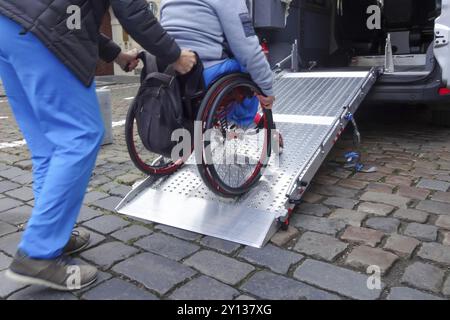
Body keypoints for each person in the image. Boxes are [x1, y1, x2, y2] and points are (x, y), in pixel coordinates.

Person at [0, 0, 196, 291]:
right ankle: (38, 253)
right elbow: (131, 10)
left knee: (48, 148)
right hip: (44, 35)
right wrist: (175, 55)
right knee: (80, 136)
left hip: (8, 25)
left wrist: (115, 53)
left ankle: (54, 233)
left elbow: (74, 12)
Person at [160, 0, 276, 127]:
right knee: (250, 67)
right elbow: (248, 50)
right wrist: (267, 90)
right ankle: (242, 124)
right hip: (203, 73)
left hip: (169, 70)